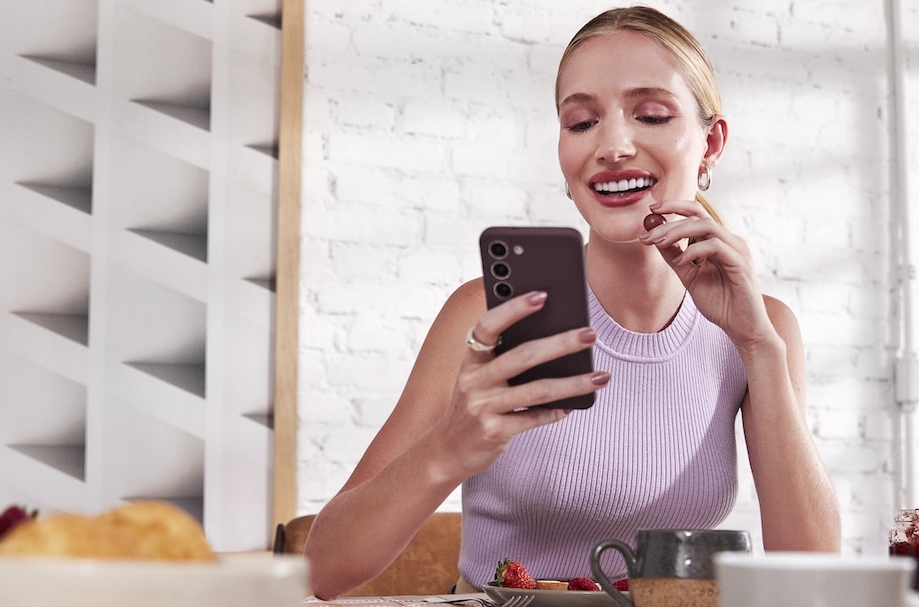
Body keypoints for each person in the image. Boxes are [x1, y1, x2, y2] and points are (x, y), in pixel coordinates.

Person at [305, 6, 841, 599]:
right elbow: (323, 570)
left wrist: (758, 347)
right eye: (582, 122)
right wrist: (449, 449)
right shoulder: (487, 313)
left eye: (652, 114)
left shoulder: (764, 330)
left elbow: (815, 579)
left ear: (711, 143)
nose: (612, 145)